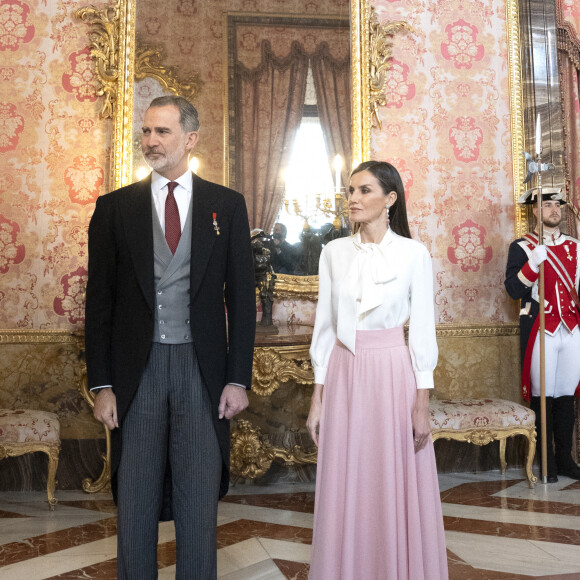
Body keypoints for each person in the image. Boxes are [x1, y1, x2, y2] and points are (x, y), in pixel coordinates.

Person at [84, 95, 256, 579]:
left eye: (162, 132)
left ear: (190, 139)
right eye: (146, 132)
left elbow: (242, 301)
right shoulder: (115, 208)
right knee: (135, 501)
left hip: (202, 373)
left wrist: (237, 379)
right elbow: (98, 304)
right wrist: (101, 384)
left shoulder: (227, 205)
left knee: (199, 506)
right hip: (136, 374)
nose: (151, 141)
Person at [306, 161, 448, 579]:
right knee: (346, 480)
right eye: (351, 190)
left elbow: (422, 331)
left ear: (390, 199)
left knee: (392, 476)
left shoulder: (413, 253)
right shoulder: (333, 252)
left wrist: (421, 404)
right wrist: (318, 398)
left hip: (392, 372)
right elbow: (326, 329)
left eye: (365, 190)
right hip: (344, 373)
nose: (353, 198)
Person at [504, 187, 580, 483]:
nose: (553, 209)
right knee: (542, 395)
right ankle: (545, 460)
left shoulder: (575, 247)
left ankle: (564, 459)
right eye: (546, 205)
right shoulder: (522, 247)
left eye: (556, 204)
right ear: (535, 211)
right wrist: (533, 263)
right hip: (542, 329)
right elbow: (513, 290)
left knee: (564, 396)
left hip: (571, 329)